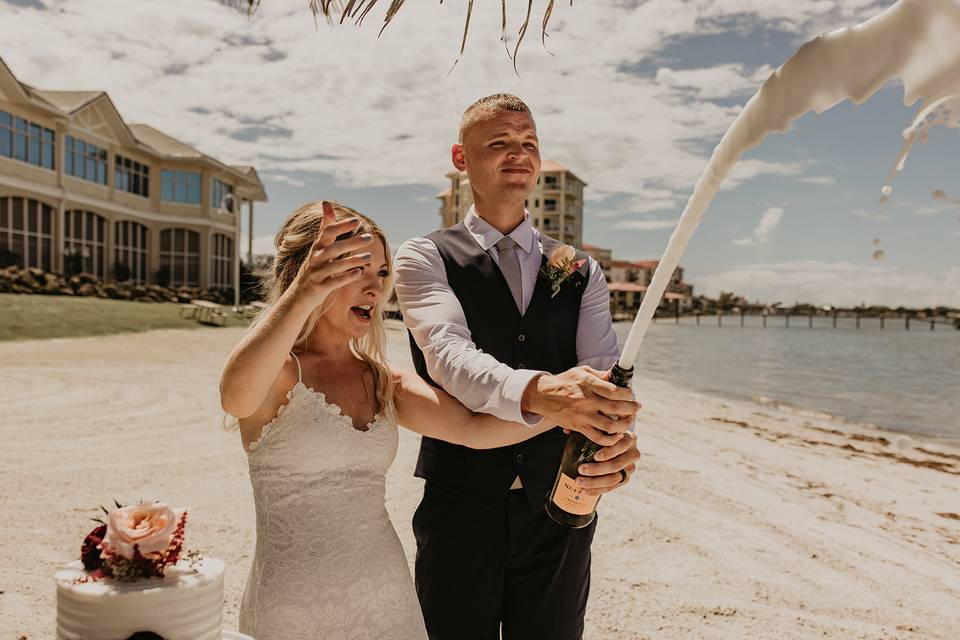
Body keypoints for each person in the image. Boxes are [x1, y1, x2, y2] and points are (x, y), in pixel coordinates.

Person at [218, 200, 632, 640]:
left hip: (386, 600)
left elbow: (472, 430)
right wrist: (302, 294)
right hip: (290, 608)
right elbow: (234, 397)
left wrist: (568, 406)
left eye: (381, 273)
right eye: (356, 269)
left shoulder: (382, 380)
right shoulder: (275, 372)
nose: (375, 289)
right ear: (308, 271)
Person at [394, 93, 643, 640]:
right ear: (461, 159)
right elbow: (449, 356)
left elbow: (601, 379)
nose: (519, 154)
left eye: (528, 143)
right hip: (459, 505)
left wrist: (615, 442)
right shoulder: (424, 256)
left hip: (561, 507)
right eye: (499, 143)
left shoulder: (580, 269)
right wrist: (544, 394)